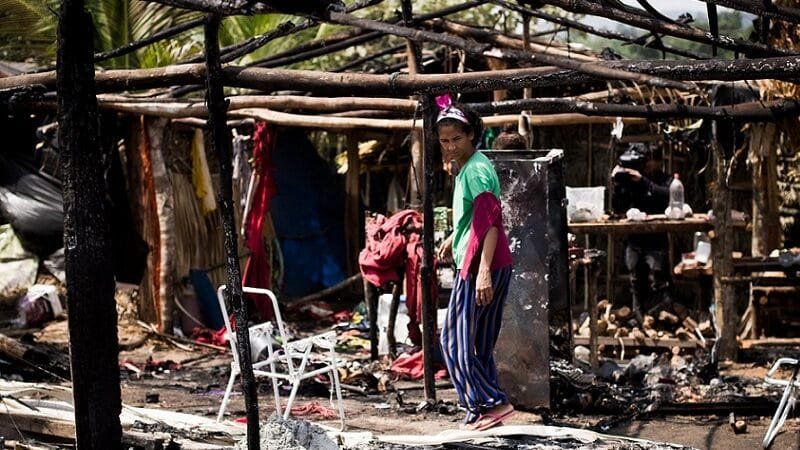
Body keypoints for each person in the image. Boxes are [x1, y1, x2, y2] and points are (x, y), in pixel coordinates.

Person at [435, 95, 514, 431]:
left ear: (471, 135)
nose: (450, 147)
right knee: (477, 341)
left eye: (456, 139)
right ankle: (489, 406)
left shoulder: (476, 170)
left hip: (482, 266)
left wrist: (482, 272)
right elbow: (475, 218)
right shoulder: (470, 166)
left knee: (454, 340)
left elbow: (491, 224)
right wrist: (454, 237)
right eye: (444, 141)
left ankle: (489, 404)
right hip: (488, 263)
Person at [611, 142, 673, 319]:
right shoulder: (630, 180)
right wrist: (617, 184)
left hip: (656, 239)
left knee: (659, 278)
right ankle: (640, 318)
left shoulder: (664, 179)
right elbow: (618, 207)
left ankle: (663, 317)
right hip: (635, 239)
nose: (647, 165)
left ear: (659, 162)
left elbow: (666, 196)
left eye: (650, 161)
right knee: (636, 279)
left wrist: (643, 181)